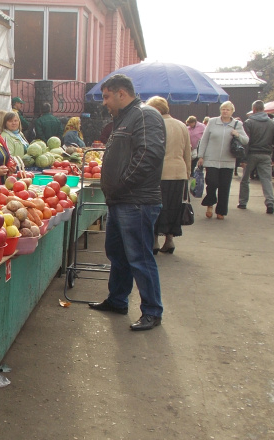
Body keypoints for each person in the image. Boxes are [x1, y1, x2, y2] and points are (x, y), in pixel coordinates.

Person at [88, 74, 166, 332]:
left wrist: (122, 184)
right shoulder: (125, 118)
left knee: (139, 257)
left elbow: (149, 155)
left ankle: (152, 311)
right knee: (118, 254)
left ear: (122, 93)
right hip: (120, 200)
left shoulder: (145, 115)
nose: (104, 103)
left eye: (107, 97)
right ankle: (117, 300)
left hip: (136, 201)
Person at [146, 96, 191, 255]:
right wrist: (187, 172)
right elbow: (187, 151)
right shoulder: (181, 125)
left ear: (156, 110)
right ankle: (169, 240)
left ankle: (154, 241)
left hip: (159, 173)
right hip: (179, 172)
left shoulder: (155, 125)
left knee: (157, 207)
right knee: (173, 206)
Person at [197, 101, 248, 220]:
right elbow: (204, 139)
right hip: (211, 159)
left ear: (232, 111)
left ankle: (221, 211)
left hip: (228, 160)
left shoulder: (237, 124)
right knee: (212, 183)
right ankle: (210, 203)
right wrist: (201, 156)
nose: (225, 111)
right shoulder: (212, 121)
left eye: (227, 109)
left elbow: (246, 140)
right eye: (223, 109)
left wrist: (237, 135)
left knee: (224, 186)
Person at [238, 100, 274, 214]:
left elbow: (245, 142)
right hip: (266, 155)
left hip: (251, 154)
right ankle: (270, 202)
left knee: (245, 179)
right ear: (263, 109)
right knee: (266, 179)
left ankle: (243, 202)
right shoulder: (272, 123)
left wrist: (243, 159)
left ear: (253, 109)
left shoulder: (249, 122)